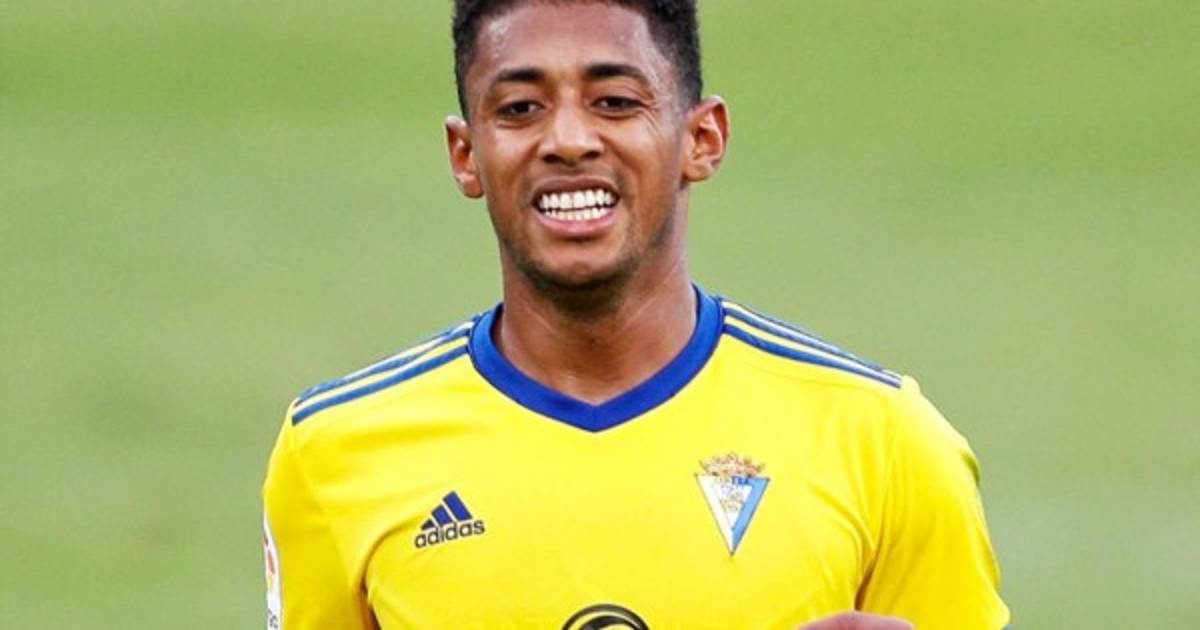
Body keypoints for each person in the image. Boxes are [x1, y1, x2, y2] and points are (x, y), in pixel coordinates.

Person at [261, 1, 1010, 628]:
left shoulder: (883, 442)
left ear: (702, 138)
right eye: (519, 109)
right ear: (466, 154)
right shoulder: (334, 453)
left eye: (616, 102)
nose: (568, 141)